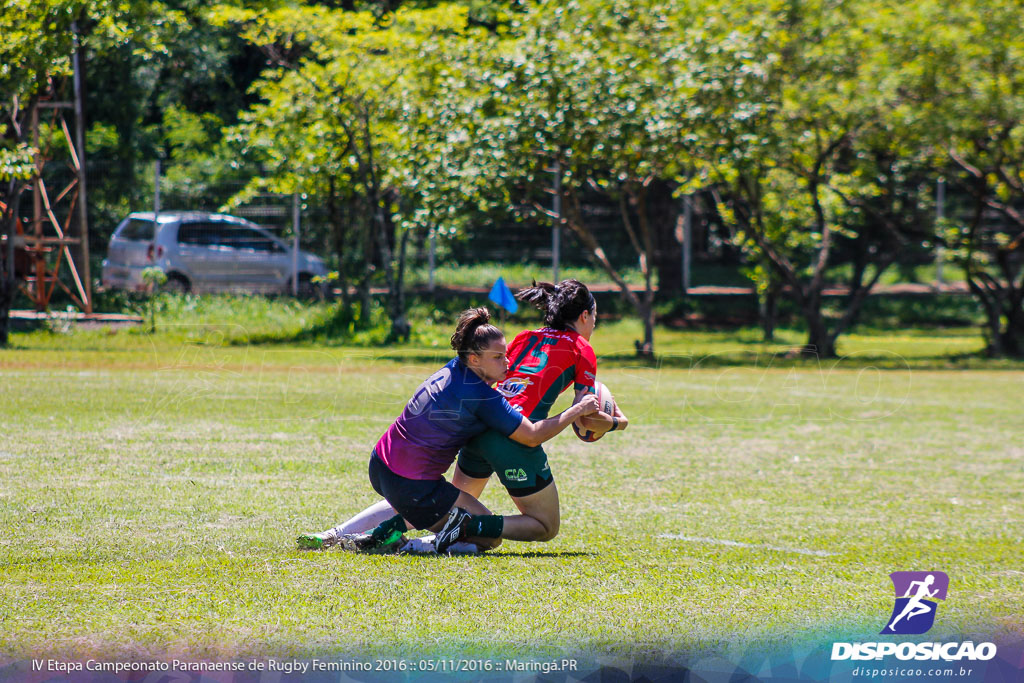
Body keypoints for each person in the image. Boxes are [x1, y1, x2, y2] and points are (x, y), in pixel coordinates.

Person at [299, 280, 628, 552]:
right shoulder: (582, 349)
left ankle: (341, 534)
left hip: (477, 432)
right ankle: (427, 542)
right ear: (585, 316)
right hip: (515, 434)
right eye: (595, 317)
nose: (595, 324)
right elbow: (588, 416)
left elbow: (503, 378)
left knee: (433, 504)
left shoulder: (525, 337)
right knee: (544, 526)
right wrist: (617, 422)